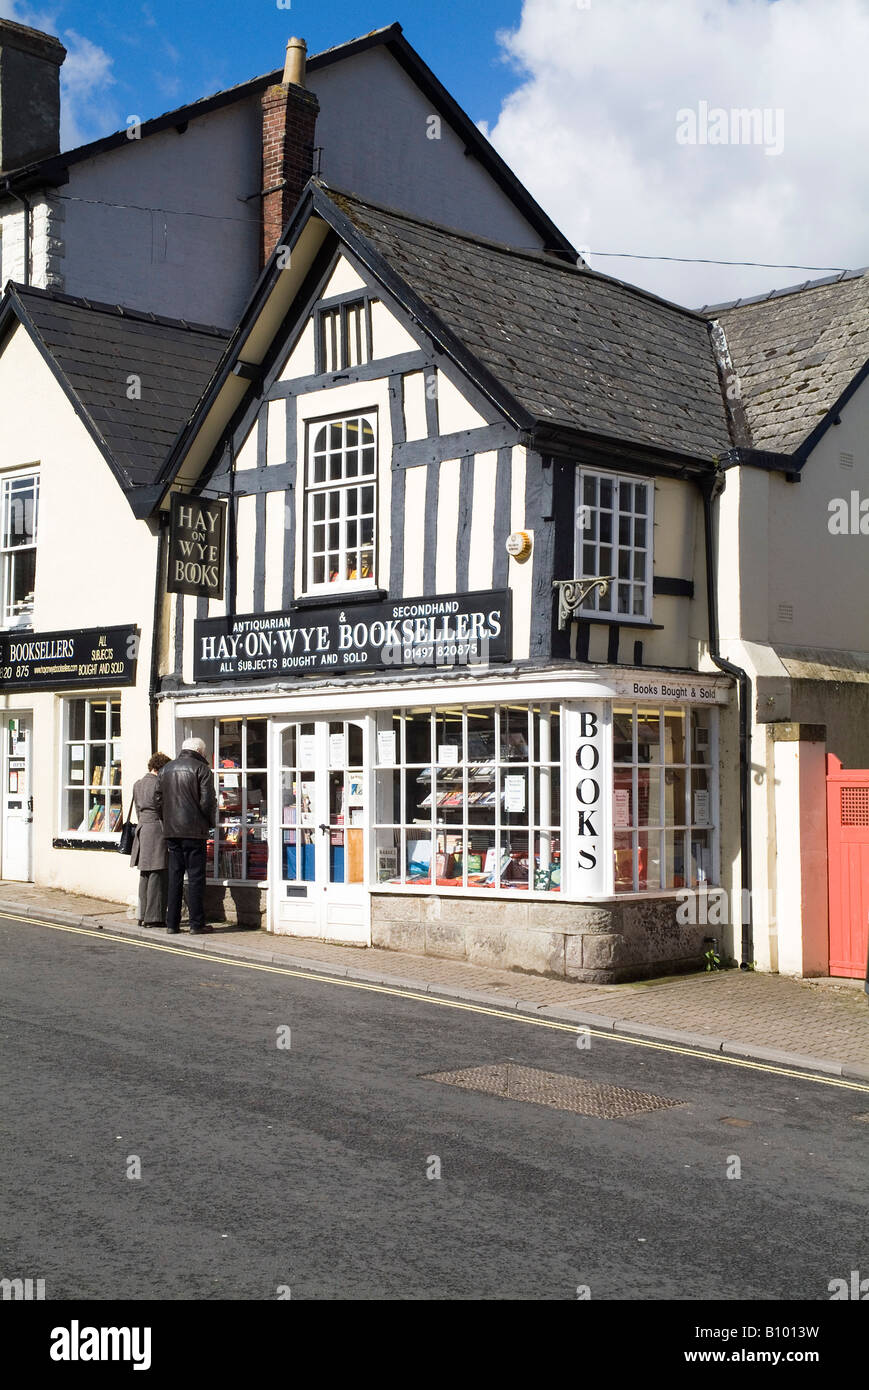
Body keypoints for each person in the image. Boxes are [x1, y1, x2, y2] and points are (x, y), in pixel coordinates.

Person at [155, 737, 218, 935]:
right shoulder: (202, 769)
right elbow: (207, 802)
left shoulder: (165, 769)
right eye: (205, 752)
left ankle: (172, 923)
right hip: (194, 831)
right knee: (196, 878)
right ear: (200, 751)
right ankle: (196, 923)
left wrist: (167, 821)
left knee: (174, 876)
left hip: (172, 831)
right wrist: (209, 823)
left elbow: (158, 800)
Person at [131, 752, 171, 927]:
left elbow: (138, 811)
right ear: (161, 768)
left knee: (145, 874)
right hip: (156, 829)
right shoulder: (159, 784)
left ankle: (141, 914)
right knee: (158, 872)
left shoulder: (138, 784)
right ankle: (154, 917)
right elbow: (163, 809)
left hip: (142, 829)